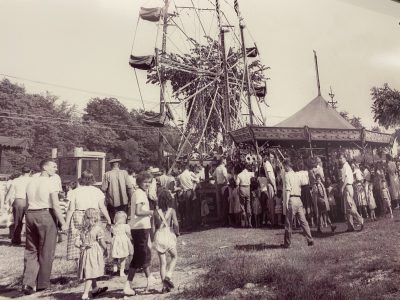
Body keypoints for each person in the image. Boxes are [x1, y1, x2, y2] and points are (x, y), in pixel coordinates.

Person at [22, 159, 67, 295]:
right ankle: (43, 284)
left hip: (30, 214)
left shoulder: (31, 181)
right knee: (46, 250)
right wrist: (63, 223)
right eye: (54, 166)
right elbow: (55, 204)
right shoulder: (50, 182)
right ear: (45, 167)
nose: (56, 169)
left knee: (31, 250)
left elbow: (27, 202)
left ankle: (28, 283)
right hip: (44, 214)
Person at [65, 170, 112, 269]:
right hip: (93, 216)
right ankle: (93, 266)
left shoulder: (74, 192)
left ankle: (80, 269)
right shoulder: (97, 191)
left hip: (78, 215)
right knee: (94, 239)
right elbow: (102, 207)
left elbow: (71, 209)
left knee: (77, 240)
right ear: (92, 179)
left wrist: (66, 223)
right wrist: (108, 219)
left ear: (81, 179)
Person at [123, 171, 154, 296]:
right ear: (139, 182)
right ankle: (128, 284)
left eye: (149, 182)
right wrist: (151, 212)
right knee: (139, 255)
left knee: (145, 252)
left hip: (141, 227)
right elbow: (139, 211)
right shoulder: (140, 194)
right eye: (145, 182)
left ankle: (149, 277)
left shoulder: (140, 193)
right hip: (140, 227)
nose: (147, 184)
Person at [75, 208, 108, 300]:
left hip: (85, 252)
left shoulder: (82, 229)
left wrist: (83, 245)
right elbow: (101, 242)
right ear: (96, 217)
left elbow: (76, 244)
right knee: (90, 274)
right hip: (93, 252)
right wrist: (106, 249)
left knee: (90, 270)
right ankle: (85, 294)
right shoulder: (97, 229)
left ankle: (95, 289)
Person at [153, 187, 180, 293]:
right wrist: (177, 232)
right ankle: (168, 276)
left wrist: (152, 239)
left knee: (162, 263)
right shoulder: (172, 211)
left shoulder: (155, 212)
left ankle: (164, 287)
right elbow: (176, 224)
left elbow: (153, 228)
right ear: (170, 200)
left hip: (159, 235)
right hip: (168, 234)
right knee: (174, 256)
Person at [282, 159, 313, 248]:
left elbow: (288, 189)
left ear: (287, 166)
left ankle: (287, 243)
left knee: (288, 223)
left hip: (291, 199)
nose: (284, 169)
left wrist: (286, 202)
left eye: (284, 167)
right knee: (303, 221)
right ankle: (310, 239)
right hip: (299, 199)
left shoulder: (287, 175)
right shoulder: (297, 175)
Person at [4, 166, 31, 245]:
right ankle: (30, 240)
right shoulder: (32, 180)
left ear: (21, 172)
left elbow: (10, 192)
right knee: (30, 222)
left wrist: (6, 202)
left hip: (18, 201)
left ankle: (16, 239)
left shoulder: (16, 180)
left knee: (17, 221)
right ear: (30, 172)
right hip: (29, 201)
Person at [101, 158, 133, 222]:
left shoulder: (107, 174)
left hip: (112, 202)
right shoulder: (124, 173)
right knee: (123, 220)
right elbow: (129, 187)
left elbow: (104, 189)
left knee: (113, 221)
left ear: (111, 165)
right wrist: (131, 199)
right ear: (119, 165)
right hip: (124, 201)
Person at [339, 154, 364, 232]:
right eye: (339, 158)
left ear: (345, 158)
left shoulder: (345, 166)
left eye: (341, 158)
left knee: (349, 207)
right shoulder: (344, 166)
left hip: (347, 187)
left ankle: (360, 220)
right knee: (348, 208)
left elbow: (346, 179)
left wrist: (342, 188)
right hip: (348, 187)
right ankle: (350, 226)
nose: (340, 159)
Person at [111, 211, 133, 277]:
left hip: (115, 242)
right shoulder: (126, 226)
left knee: (116, 255)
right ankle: (121, 272)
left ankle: (115, 268)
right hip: (123, 242)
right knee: (123, 257)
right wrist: (131, 238)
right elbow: (129, 233)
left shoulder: (114, 226)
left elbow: (112, 232)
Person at [177, 165, 199, 230]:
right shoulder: (190, 173)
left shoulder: (180, 176)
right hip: (191, 191)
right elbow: (197, 180)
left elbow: (179, 184)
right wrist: (194, 184)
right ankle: (194, 224)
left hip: (185, 193)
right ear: (188, 168)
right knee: (194, 209)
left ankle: (188, 224)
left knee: (187, 209)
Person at [235, 164, 253, 228]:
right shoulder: (249, 173)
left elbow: (237, 184)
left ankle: (243, 223)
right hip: (248, 188)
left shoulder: (239, 175)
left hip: (242, 188)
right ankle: (249, 222)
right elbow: (254, 175)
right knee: (248, 205)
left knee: (242, 205)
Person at [213, 158, 229, 225]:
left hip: (219, 186)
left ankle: (221, 219)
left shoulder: (217, 168)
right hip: (223, 186)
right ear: (223, 161)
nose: (226, 162)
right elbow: (225, 176)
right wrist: (227, 183)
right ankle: (225, 220)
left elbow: (213, 176)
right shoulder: (223, 168)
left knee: (220, 203)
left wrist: (216, 182)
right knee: (225, 203)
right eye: (225, 161)